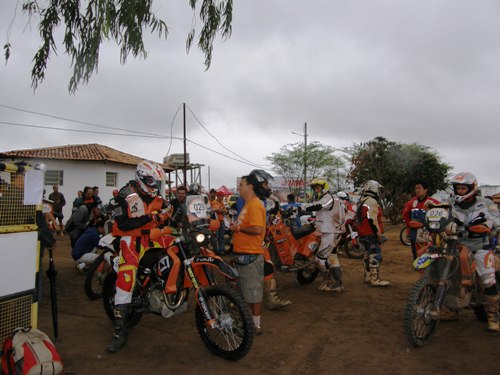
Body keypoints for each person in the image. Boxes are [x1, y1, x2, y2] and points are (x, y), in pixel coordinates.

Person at [106, 160, 170, 353]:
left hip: (153, 238)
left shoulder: (159, 198)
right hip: (130, 240)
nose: (155, 186)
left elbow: (170, 215)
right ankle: (119, 332)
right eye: (152, 181)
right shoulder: (124, 195)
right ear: (142, 178)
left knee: (177, 248)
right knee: (126, 279)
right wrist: (150, 219)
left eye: (158, 182)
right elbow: (123, 224)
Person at [448, 171, 500, 331]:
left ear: (471, 188)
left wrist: (487, 226)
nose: (460, 191)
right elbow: (441, 213)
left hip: (479, 246)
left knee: (487, 278)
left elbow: (497, 220)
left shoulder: (484, 202)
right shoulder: (451, 202)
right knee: (450, 276)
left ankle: (493, 316)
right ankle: (452, 310)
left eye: (463, 188)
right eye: (458, 188)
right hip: (457, 245)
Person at [230, 174, 267, 335]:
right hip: (243, 255)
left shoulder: (255, 205)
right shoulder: (247, 205)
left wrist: (238, 228)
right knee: (246, 292)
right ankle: (249, 323)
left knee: (254, 292)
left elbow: (257, 229)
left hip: (251, 256)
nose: (239, 187)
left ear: (250, 186)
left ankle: (255, 326)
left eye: (242, 184)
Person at [304, 178, 345, 292]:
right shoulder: (330, 198)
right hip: (331, 232)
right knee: (332, 257)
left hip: (332, 233)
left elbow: (318, 206)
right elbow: (325, 215)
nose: (316, 191)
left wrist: (301, 207)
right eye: (315, 189)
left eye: (318, 188)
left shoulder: (328, 198)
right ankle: (337, 283)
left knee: (319, 259)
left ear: (324, 187)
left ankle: (329, 281)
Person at [357, 180, 389, 287]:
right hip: (371, 233)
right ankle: (375, 279)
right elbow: (372, 220)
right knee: (375, 255)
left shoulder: (362, 201)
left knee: (368, 255)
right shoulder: (371, 202)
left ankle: (368, 276)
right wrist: (378, 234)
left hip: (363, 233)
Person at [401, 182, 440, 260]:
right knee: (415, 252)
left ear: (425, 190)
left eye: (419, 188)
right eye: (416, 188)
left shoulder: (433, 202)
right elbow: (405, 214)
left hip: (428, 233)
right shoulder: (412, 202)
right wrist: (410, 225)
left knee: (428, 251)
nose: (417, 190)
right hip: (414, 232)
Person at [209, 189, 227, 255]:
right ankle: (216, 251)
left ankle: (221, 250)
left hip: (221, 221)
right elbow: (216, 210)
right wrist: (221, 210)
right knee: (215, 237)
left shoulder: (222, 203)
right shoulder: (214, 202)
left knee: (221, 237)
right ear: (218, 196)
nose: (222, 197)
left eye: (223, 196)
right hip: (216, 222)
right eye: (221, 196)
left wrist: (221, 210)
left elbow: (225, 211)